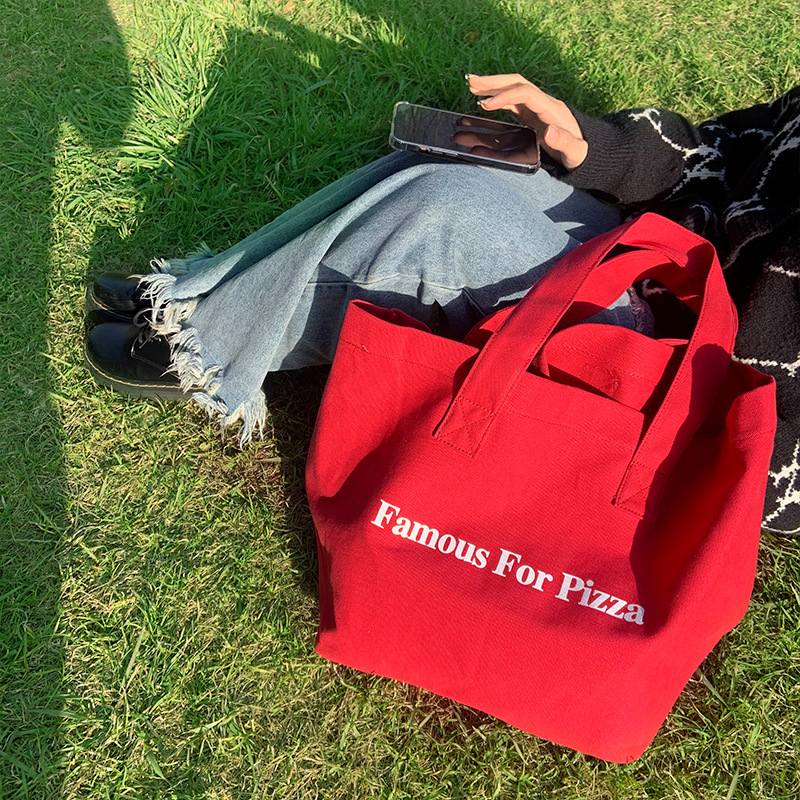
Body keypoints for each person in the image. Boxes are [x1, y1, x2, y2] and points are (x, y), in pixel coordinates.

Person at [84, 74, 800, 533]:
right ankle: (201, 299)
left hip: (680, 384)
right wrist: (594, 146)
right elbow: (720, 152)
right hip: (656, 260)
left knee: (447, 218)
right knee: (454, 154)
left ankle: (207, 348)